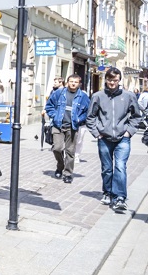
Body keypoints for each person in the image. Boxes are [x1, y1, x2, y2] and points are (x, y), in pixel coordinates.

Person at [86, 68, 144, 212]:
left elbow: (137, 116)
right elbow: (90, 117)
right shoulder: (98, 96)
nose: (112, 83)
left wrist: (129, 132)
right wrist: (97, 133)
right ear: (106, 80)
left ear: (119, 80)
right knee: (106, 169)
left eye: (115, 80)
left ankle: (120, 197)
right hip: (104, 138)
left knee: (120, 166)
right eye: (110, 80)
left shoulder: (129, 96)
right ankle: (107, 192)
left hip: (122, 139)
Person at [44, 74, 90, 183]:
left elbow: (88, 111)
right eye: (71, 81)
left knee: (70, 151)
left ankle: (68, 173)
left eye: (75, 82)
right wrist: (54, 116)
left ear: (79, 84)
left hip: (72, 126)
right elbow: (49, 106)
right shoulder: (59, 93)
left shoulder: (83, 97)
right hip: (58, 124)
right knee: (57, 148)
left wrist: (79, 119)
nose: (73, 83)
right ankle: (60, 165)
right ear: (67, 82)